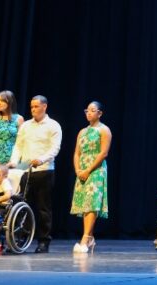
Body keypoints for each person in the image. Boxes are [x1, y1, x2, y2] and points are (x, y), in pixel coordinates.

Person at [8, 95, 62, 253]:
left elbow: (55, 148)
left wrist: (42, 159)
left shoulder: (53, 125)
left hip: (44, 171)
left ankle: (44, 241)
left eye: (36, 106)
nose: (33, 109)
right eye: (31, 107)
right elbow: (18, 146)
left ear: (44, 106)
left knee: (43, 208)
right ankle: (20, 240)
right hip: (26, 172)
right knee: (22, 206)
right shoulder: (25, 126)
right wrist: (13, 161)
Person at [71, 101, 111, 254]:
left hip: (96, 169)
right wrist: (78, 170)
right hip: (82, 170)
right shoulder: (82, 132)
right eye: (87, 110)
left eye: (92, 110)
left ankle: (85, 238)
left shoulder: (104, 130)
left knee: (92, 202)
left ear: (99, 113)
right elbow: (77, 153)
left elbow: (103, 153)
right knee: (85, 204)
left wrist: (88, 170)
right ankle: (90, 238)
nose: (89, 113)